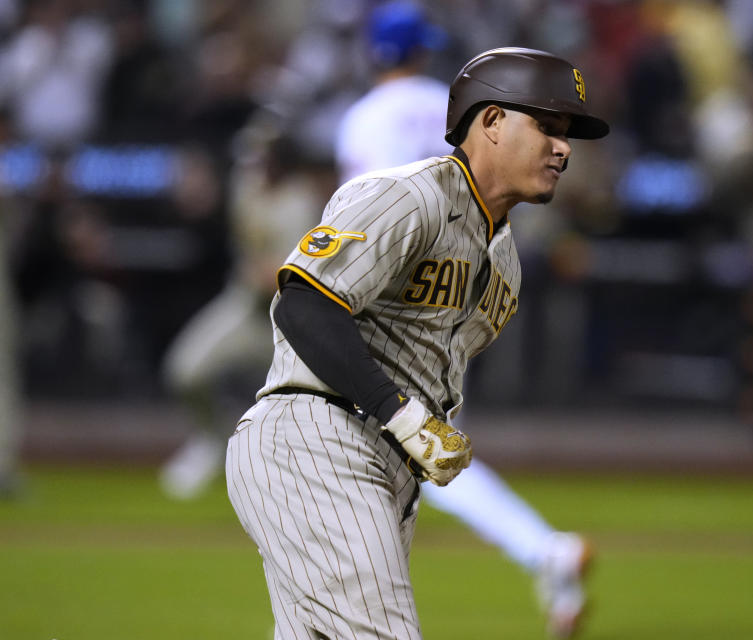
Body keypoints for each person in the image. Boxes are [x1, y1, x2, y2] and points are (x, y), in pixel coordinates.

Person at [225, 46, 609, 640]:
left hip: (383, 471)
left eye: (568, 134)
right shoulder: (409, 194)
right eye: (547, 126)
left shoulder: (503, 258)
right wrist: (397, 412)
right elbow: (303, 303)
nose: (562, 148)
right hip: (315, 443)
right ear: (491, 122)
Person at [335, 4, 594, 637]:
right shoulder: (464, 106)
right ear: (419, 52)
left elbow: (367, 211)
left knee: (365, 456)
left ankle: (545, 550)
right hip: (461, 284)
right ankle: (545, 552)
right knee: (419, 452)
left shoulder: (366, 116)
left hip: (388, 295)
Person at [158, 126, 330, 498]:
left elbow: (292, 276)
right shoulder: (245, 185)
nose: (256, 165)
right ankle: (214, 442)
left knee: (310, 408)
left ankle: (305, 477)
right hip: (244, 307)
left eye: (264, 158)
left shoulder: (300, 203)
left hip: (291, 322)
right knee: (186, 371)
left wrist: (265, 272)